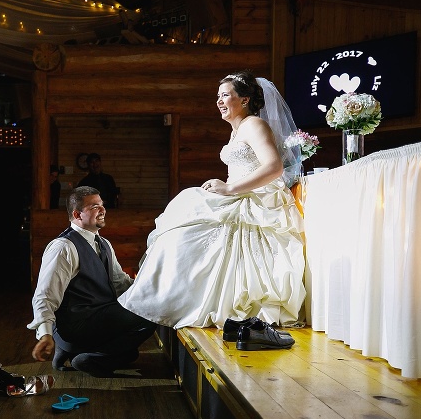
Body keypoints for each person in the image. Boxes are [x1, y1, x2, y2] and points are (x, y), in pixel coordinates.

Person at [117, 70, 305, 350]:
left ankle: (162, 304)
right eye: (218, 96)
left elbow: (274, 167)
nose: (218, 101)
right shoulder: (238, 129)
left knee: (187, 224)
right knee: (181, 220)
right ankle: (157, 300)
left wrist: (230, 188)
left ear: (244, 99)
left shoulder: (254, 125)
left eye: (225, 95)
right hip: (237, 192)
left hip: (252, 200)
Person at [28, 186, 157, 377]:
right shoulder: (63, 248)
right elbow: (44, 295)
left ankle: (70, 352)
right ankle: (90, 359)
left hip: (95, 318)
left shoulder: (104, 244)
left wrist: (152, 290)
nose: (102, 209)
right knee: (150, 315)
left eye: (102, 205)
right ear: (77, 214)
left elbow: (120, 282)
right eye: (95, 206)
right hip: (75, 327)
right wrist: (45, 333)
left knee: (131, 354)